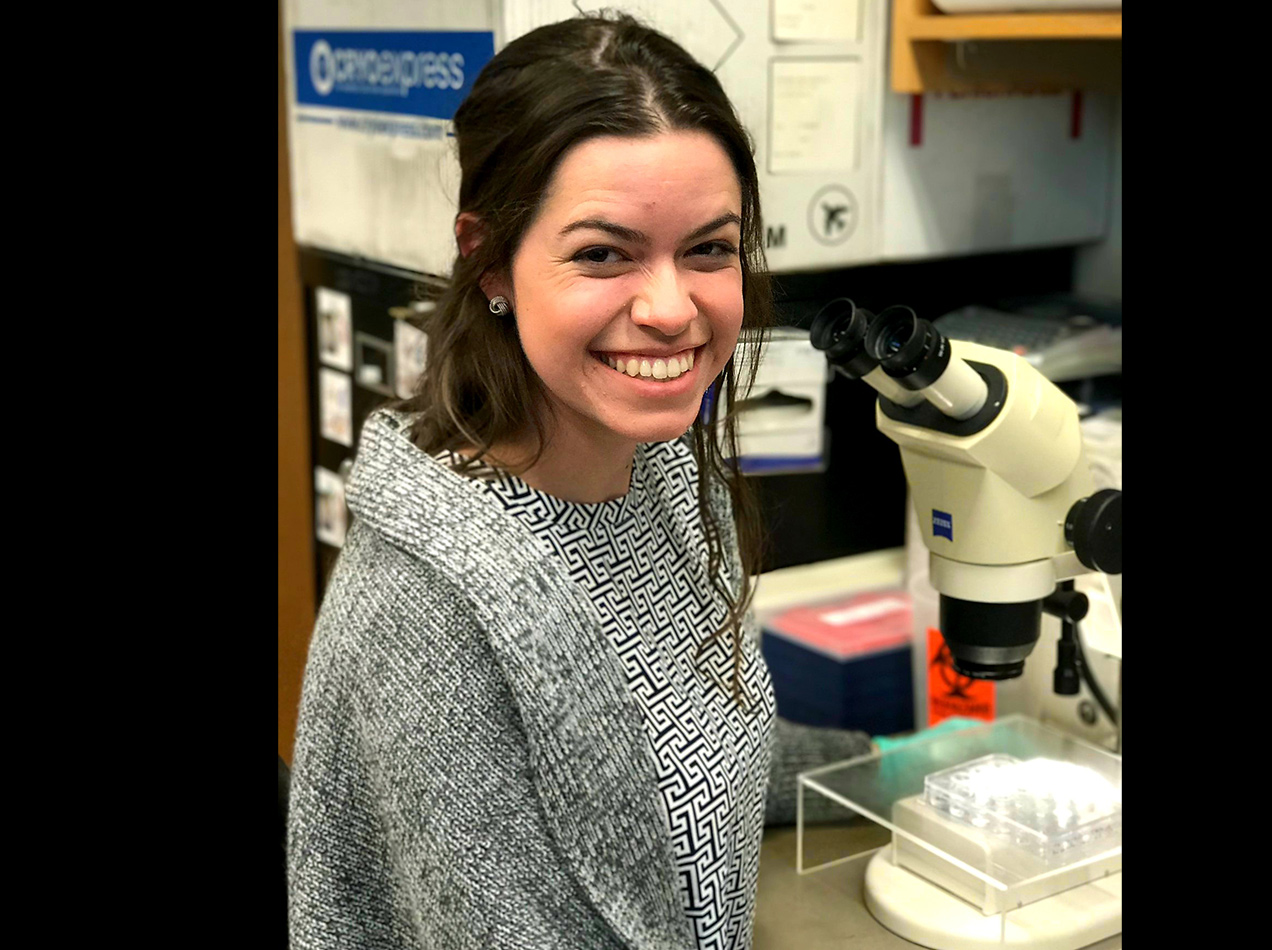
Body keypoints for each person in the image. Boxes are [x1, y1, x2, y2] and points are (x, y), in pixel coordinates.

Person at [285, 13, 873, 950]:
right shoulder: (426, 615)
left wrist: (894, 769)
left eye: (710, 250)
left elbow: (661, 766)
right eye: (603, 254)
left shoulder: (673, 482)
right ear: (490, 260)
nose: (673, 309)